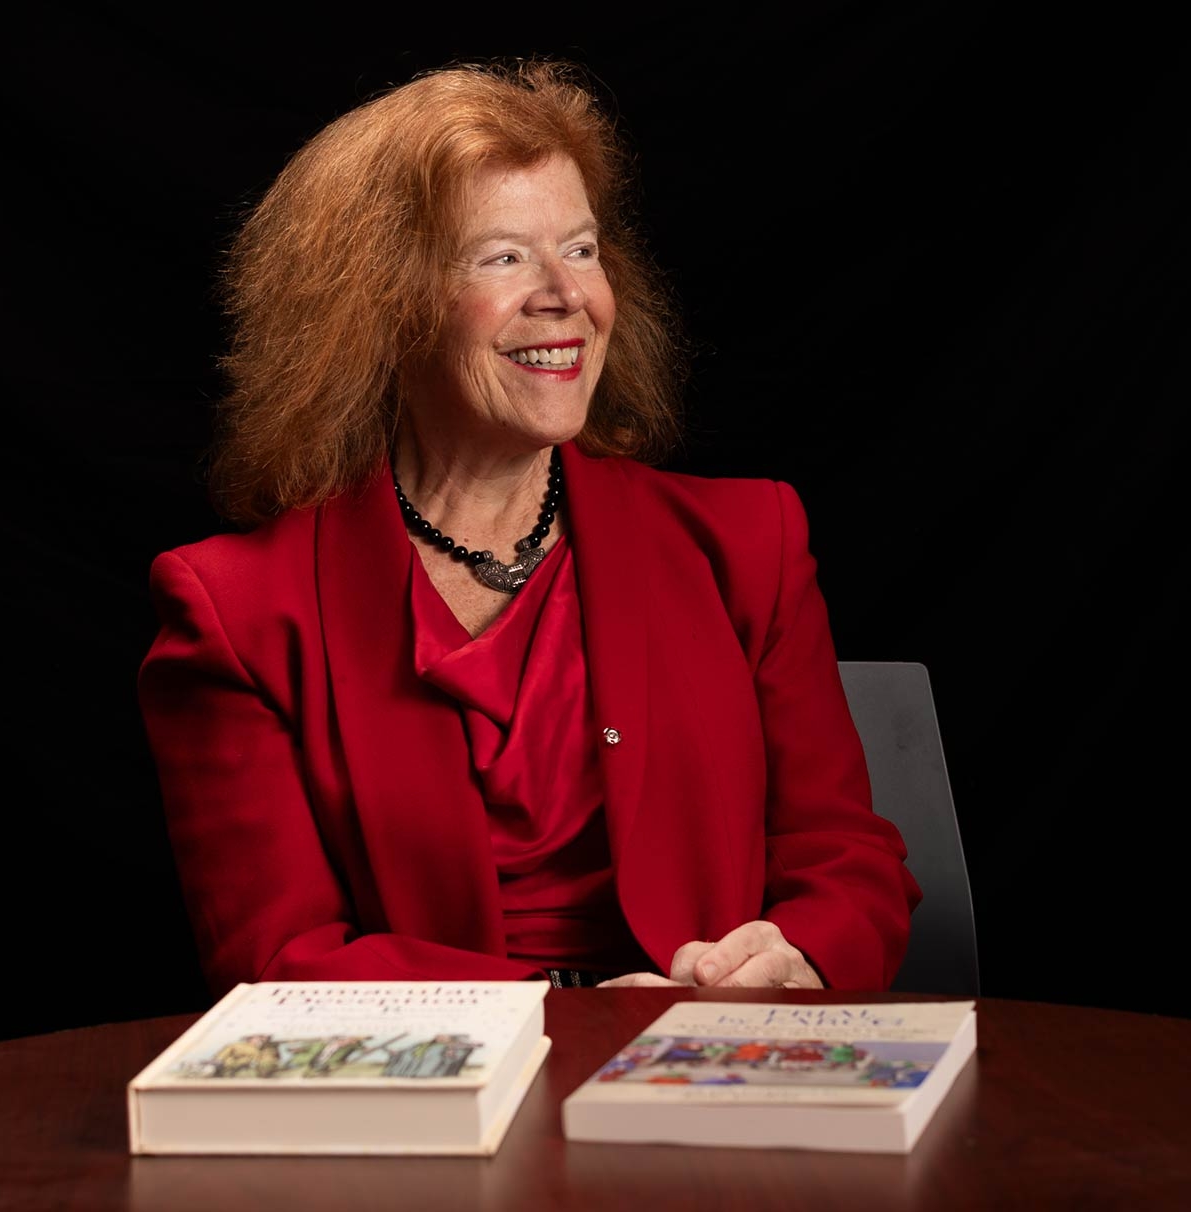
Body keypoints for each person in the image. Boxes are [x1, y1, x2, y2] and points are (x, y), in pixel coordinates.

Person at [137, 59, 919, 996]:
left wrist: (799, 955)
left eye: (581, 249)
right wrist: (571, 1019)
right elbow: (279, 965)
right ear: (379, 310)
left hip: (711, 1080)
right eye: (502, 257)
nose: (565, 295)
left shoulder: (750, 539)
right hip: (431, 1112)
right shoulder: (234, 610)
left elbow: (848, 860)